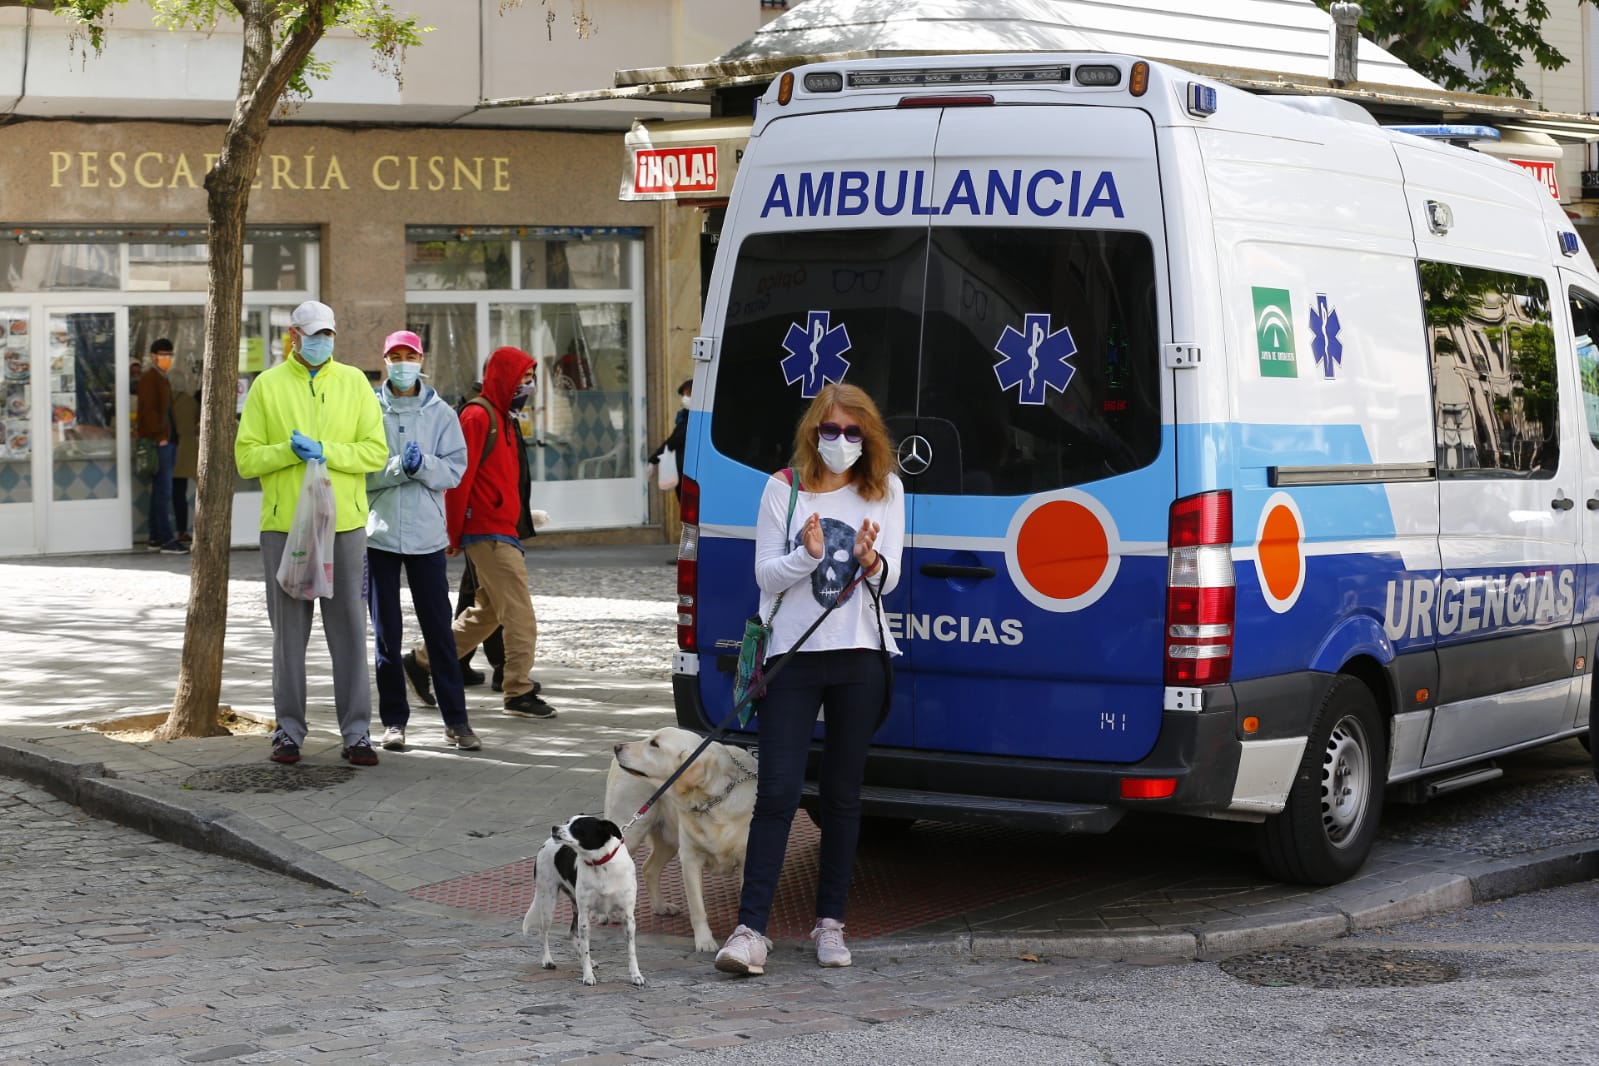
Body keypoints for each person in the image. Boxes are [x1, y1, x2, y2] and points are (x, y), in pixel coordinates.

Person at [714, 383, 903, 977]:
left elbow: (889, 579)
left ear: (867, 436)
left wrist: (871, 562)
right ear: (812, 433)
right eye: (830, 431)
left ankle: (830, 923)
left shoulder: (887, 490)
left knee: (845, 797)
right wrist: (807, 554)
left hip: (858, 656)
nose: (841, 442)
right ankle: (750, 932)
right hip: (791, 658)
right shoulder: (782, 490)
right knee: (778, 794)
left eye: (853, 432)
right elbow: (767, 577)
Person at [235, 300, 388, 767]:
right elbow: (247, 459)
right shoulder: (267, 386)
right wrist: (288, 450)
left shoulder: (355, 383)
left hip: (344, 525)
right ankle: (288, 731)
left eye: (329, 335)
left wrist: (326, 451)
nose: (321, 342)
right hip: (286, 528)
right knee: (288, 634)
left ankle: (357, 733)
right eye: (313, 334)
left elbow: (374, 453)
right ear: (294, 337)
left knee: (348, 630)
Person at [412, 346, 556, 719]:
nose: (530, 386)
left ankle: (420, 661)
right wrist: (453, 533)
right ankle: (518, 690)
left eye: (531, 378)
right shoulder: (478, 416)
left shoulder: (505, 418)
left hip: (502, 529)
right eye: (524, 378)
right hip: (488, 532)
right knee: (520, 615)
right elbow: (458, 480)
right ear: (505, 377)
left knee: (485, 615)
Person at [366, 331, 477, 752]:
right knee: (386, 635)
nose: (401, 362)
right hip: (381, 533)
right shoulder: (370, 410)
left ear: (421, 359)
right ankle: (394, 721)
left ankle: (457, 722)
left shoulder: (442, 413)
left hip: (428, 537)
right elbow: (359, 471)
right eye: (393, 356)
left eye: (408, 355)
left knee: (439, 633)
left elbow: (455, 469)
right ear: (385, 362)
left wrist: (424, 464)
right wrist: (398, 468)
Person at [136, 338, 186, 554]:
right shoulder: (150, 378)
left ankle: (156, 537)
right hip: (161, 442)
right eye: (163, 355)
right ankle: (165, 539)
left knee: (160, 492)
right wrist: (159, 436)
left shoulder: (160, 377)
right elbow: (148, 411)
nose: (167, 359)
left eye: (170, 355)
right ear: (154, 356)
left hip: (167, 440)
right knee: (163, 492)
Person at [169, 364, 200, 545]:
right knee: (196, 491)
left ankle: (178, 530)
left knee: (175, 493)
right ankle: (185, 530)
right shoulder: (191, 401)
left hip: (174, 449)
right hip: (190, 450)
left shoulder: (168, 402)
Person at [648, 378, 692, 503]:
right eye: (683, 395)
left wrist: (653, 460)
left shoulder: (691, 420)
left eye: (688, 394)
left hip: (688, 471)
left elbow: (674, 441)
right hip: (684, 470)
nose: (684, 398)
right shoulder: (685, 416)